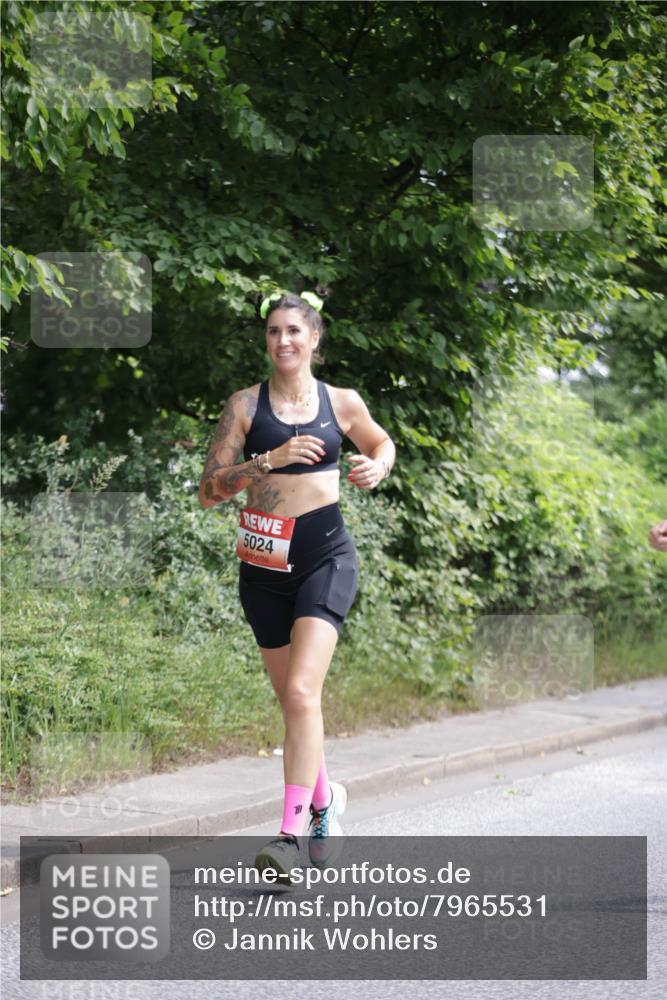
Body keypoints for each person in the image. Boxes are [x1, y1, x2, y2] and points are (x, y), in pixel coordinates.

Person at [198, 290, 396, 883]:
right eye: (273, 332)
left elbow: (380, 442)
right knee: (293, 702)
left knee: (304, 693)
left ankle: (288, 835)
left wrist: (378, 466)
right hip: (262, 571)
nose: (283, 340)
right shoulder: (243, 407)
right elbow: (210, 490)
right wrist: (269, 459)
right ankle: (327, 801)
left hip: (324, 559)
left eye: (294, 331)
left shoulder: (341, 403)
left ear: (314, 339)